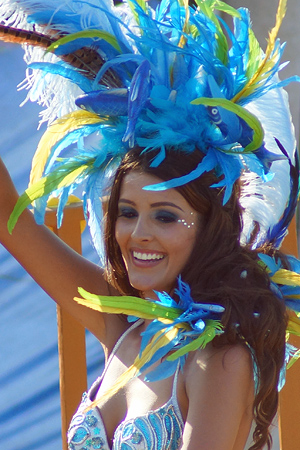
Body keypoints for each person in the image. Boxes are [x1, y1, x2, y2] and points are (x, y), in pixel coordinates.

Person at [0, 0, 300, 449]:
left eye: (166, 216)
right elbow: (11, 221)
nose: (138, 232)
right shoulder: (122, 324)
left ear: (208, 230)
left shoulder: (219, 359)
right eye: (127, 212)